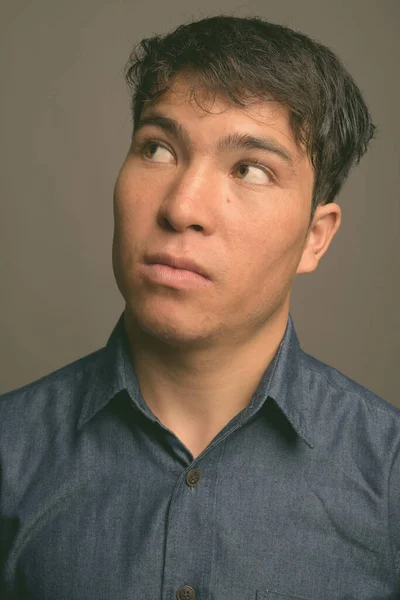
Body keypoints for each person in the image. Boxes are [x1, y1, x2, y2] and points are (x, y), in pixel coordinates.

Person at [1, 13, 399, 600]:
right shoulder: (11, 452)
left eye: (251, 169)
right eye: (158, 149)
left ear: (316, 236)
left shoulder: (387, 474)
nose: (182, 206)